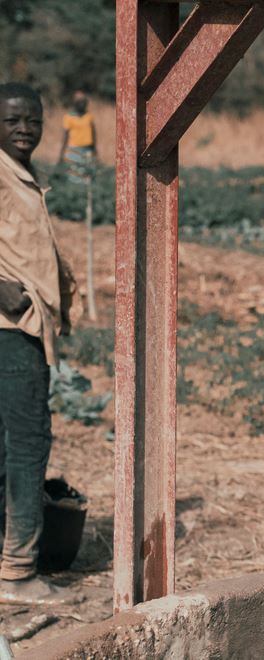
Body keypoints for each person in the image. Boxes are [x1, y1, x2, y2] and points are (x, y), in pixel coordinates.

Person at [0, 82, 77, 605]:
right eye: (12, 120)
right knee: (29, 444)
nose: (25, 129)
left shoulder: (20, 174)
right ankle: (20, 572)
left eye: (33, 120)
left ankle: (8, 555)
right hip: (13, 330)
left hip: (20, 327)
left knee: (8, 445)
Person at [57, 91, 97, 183]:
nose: (82, 103)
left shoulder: (89, 116)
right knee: (74, 177)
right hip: (74, 150)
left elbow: (93, 133)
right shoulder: (68, 117)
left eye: (84, 101)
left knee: (88, 175)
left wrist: (94, 148)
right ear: (74, 103)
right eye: (79, 101)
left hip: (88, 149)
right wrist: (61, 153)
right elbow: (65, 136)